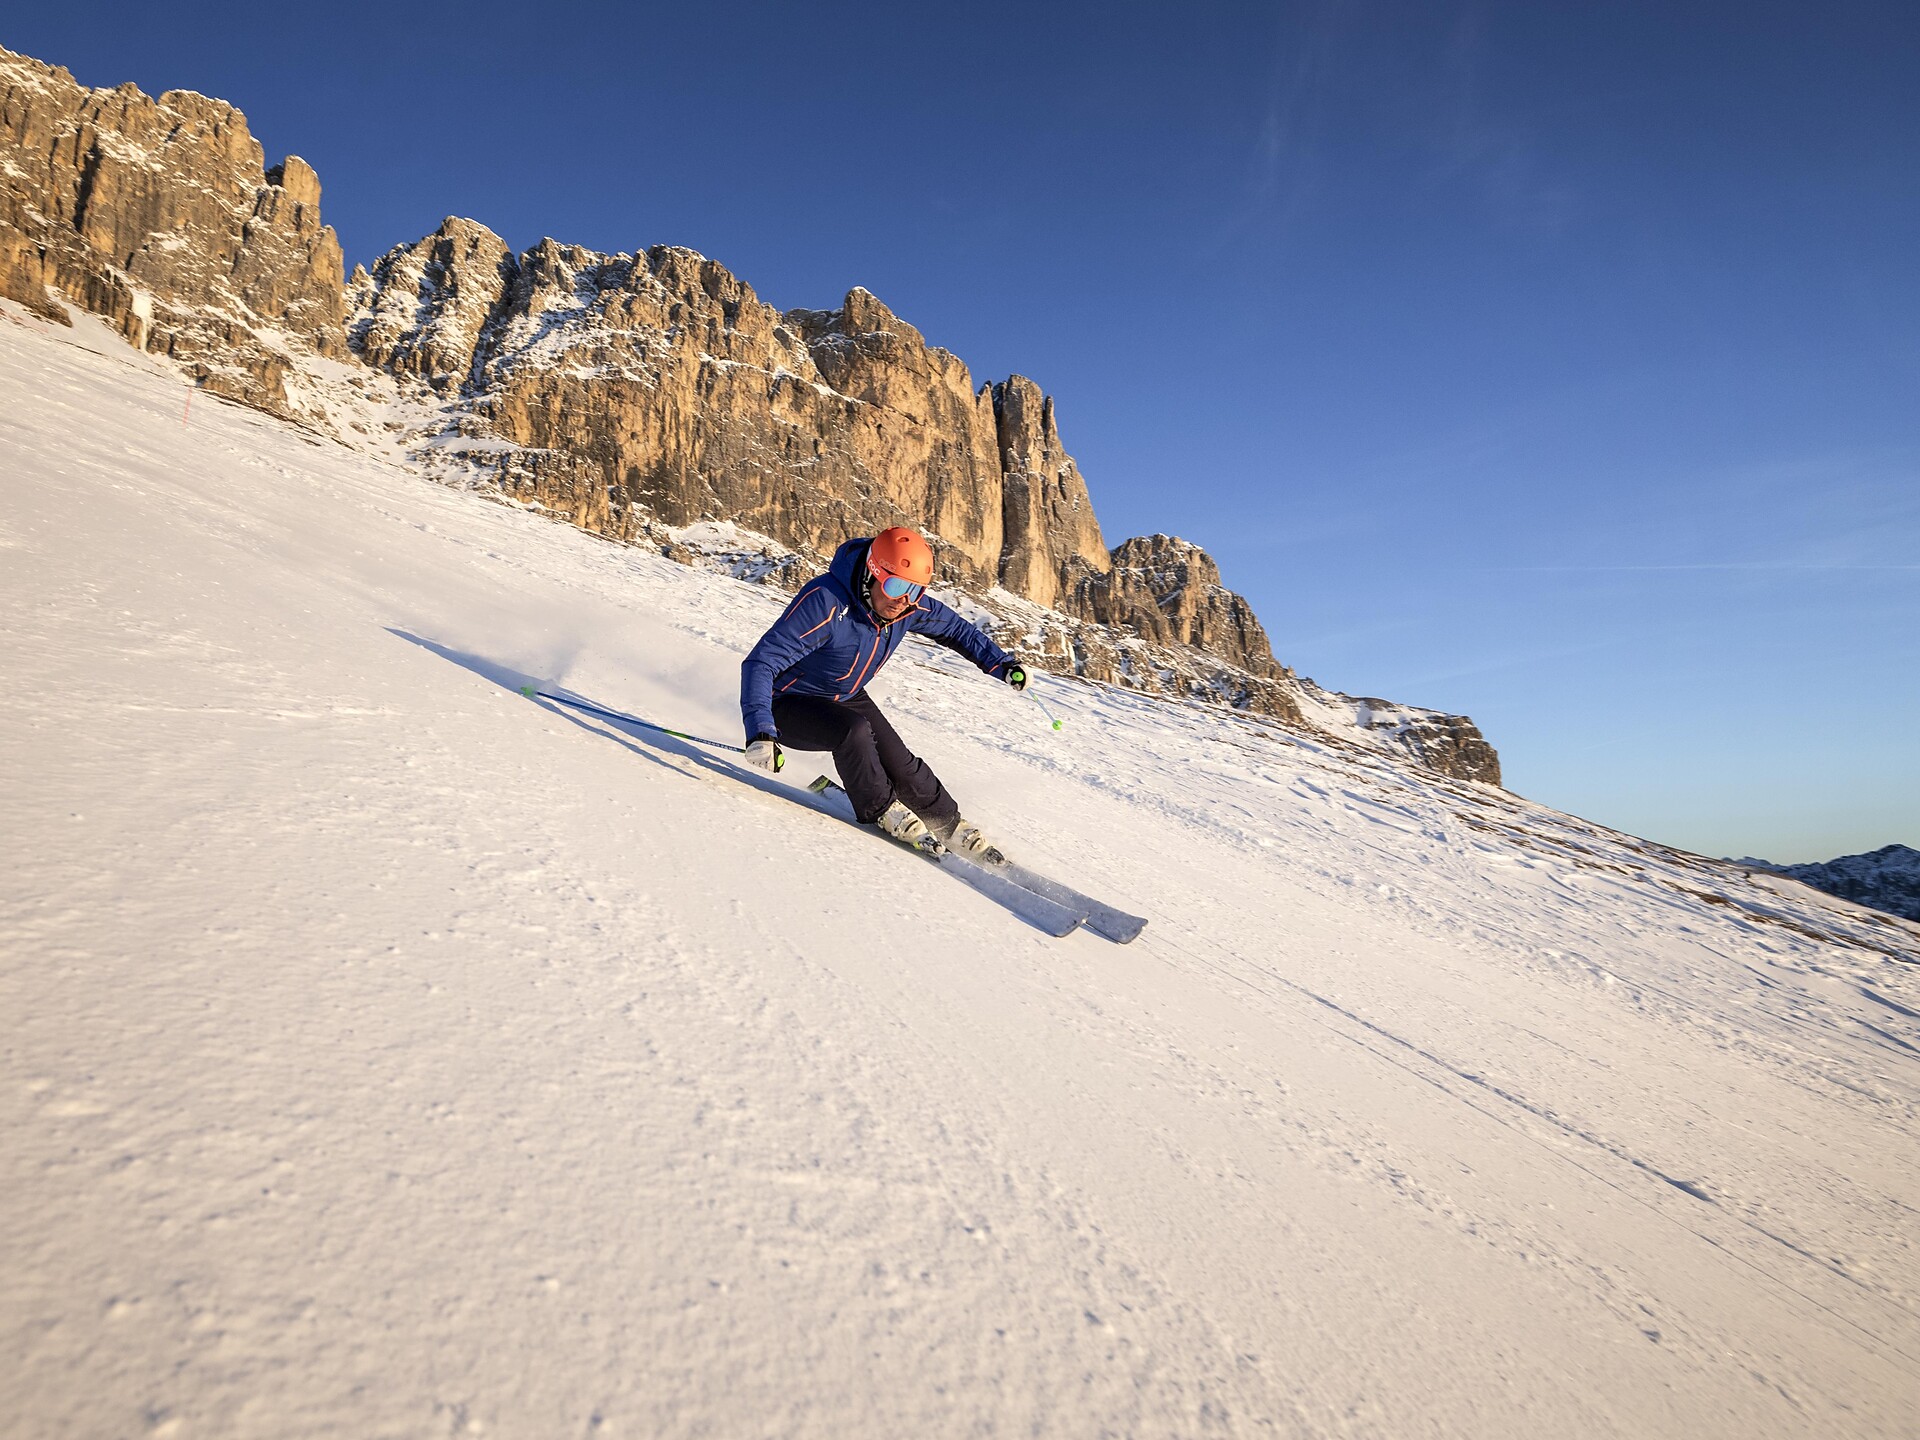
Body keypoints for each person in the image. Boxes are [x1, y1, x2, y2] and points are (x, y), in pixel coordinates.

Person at [739, 526, 1029, 856]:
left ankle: (948, 823)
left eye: (915, 590)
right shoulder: (826, 601)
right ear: (872, 575)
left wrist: (1002, 665)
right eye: (895, 586)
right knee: (854, 732)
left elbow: (957, 630)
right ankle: (883, 810)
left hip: (845, 694)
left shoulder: (907, 606)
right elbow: (761, 662)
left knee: (901, 764)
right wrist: (760, 731)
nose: (904, 600)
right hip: (786, 703)